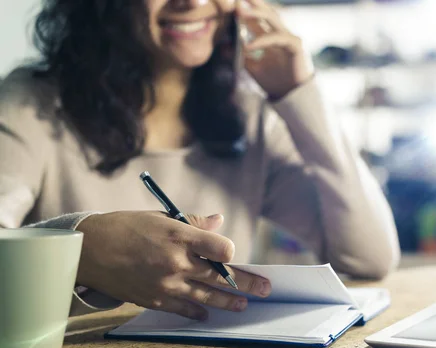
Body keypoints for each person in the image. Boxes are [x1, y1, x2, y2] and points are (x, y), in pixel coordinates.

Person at [0, 0, 400, 320]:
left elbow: (369, 256)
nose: (192, 2)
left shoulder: (250, 114)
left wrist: (300, 94)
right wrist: (86, 251)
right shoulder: (29, 104)